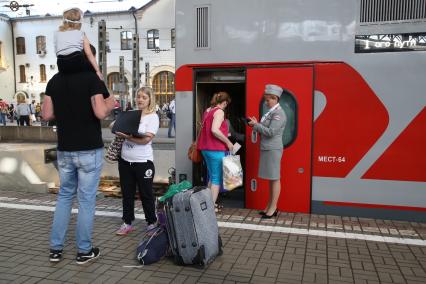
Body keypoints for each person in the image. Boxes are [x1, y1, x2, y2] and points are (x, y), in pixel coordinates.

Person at [42, 45, 115, 264]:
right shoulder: (91, 79)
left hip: (65, 149)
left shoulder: (54, 80)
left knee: (64, 197)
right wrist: (111, 104)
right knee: (86, 199)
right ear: (88, 58)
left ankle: (56, 249)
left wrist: (65, 109)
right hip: (88, 149)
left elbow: (46, 114)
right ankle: (84, 251)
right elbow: (100, 112)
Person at [114, 87, 159, 235]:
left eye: (144, 97)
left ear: (149, 100)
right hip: (125, 161)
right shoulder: (131, 114)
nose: (140, 100)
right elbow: (113, 126)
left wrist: (127, 136)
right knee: (127, 194)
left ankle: (152, 222)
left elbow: (146, 140)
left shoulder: (153, 117)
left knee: (146, 194)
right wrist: (116, 126)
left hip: (143, 162)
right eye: (138, 96)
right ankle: (127, 222)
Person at [248, 84, 287, 219]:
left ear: (275, 98)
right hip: (268, 148)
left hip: (272, 149)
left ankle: (273, 208)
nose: (266, 102)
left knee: (275, 178)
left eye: (268, 99)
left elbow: (271, 132)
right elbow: (266, 127)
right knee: (271, 178)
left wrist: (256, 125)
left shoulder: (278, 113)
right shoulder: (272, 112)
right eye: (265, 99)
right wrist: (256, 123)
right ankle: (269, 206)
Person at [197, 92, 233, 211]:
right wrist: (228, 142)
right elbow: (214, 130)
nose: (225, 107)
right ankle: (211, 207)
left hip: (205, 149)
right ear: (224, 102)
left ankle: (208, 203)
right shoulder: (219, 111)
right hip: (215, 149)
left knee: (212, 177)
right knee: (216, 178)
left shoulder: (208, 110)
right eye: (225, 105)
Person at [55, 7, 103, 80]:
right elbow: (89, 53)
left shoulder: (57, 33)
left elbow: (58, 51)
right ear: (79, 22)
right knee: (89, 67)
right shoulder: (81, 33)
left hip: (61, 63)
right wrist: (98, 71)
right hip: (76, 61)